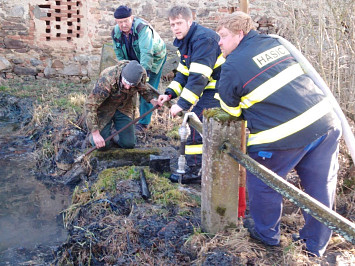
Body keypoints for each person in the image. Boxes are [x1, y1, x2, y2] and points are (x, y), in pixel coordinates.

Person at [215, 11, 342, 257]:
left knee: (263, 183)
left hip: (283, 135)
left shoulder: (232, 65)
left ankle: (267, 236)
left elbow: (230, 109)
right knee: (320, 188)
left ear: (240, 35)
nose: (219, 42)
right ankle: (314, 246)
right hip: (325, 122)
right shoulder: (274, 43)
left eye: (223, 36)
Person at [158, 5, 224, 183]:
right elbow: (183, 74)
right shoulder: (185, 42)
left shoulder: (203, 40)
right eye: (172, 25)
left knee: (194, 124)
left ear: (190, 21)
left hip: (222, 89)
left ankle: (196, 171)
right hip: (210, 88)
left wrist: (182, 105)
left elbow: (198, 78)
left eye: (179, 23)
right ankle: (201, 165)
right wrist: (170, 94)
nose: (175, 28)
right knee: (196, 123)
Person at [111, 5, 166, 133]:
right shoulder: (115, 33)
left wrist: (143, 77)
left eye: (126, 21)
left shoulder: (142, 29)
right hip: (133, 58)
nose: (123, 24)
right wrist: (123, 70)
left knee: (146, 88)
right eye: (120, 22)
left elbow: (147, 54)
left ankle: (143, 124)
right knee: (127, 85)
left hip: (154, 58)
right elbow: (119, 54)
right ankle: (126, 117)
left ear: (132, 18)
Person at [85, 60, 160, 150]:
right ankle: (92, 137)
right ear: (122, 76)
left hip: (123, 106)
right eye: (126, 83)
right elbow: (90, 105)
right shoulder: (107, 79)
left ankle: (115, 134)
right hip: (104, 108)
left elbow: (143, 88)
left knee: (129, 144)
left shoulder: (141, 75)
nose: (128, 87)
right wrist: (95, 133)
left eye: (132, 85)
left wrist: (153, 100)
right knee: (102, 147)